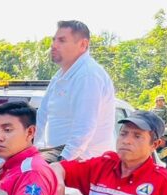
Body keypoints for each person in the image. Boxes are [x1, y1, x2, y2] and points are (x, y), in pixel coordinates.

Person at [35, 20, 117, 161]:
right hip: (57, 155)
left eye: (62, 40)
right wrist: (25, 154)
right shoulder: (60, 76)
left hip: (82, 160)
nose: (54, 45)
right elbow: (41, 116)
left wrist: (63, 162)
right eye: (54, 40)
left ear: (83, 45)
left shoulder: (88, 75)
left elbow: (84, 126)